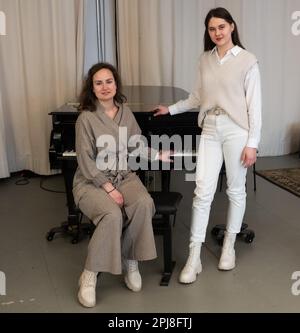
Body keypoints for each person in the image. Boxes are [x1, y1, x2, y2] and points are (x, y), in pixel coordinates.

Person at [154, 7, 262, 283]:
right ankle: (194, 257)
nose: (217, 33)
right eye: (212, 29)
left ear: (232, 27)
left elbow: (255, 106)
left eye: (222, 27)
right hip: (211, 128)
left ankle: (228, 247)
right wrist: (172, 109)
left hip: (238, 130)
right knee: (202, 191)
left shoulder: (248, 60)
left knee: (236, 189)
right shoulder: (205, 59)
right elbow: (198, 96)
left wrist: (253, 143)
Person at [73, 62, 172, 307]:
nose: (105, 87)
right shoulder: (85, 118)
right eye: (99, 83)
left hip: (123, 175)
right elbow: (85, 161)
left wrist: (156, 155)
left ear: (116, 84)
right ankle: (89, 273)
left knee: (143, 203)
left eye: (109, 81)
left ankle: (130, 259)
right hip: (91, 181)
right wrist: (109, 189)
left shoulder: (125, 113)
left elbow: (136, 144)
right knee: (112, 214)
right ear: (92, 88)